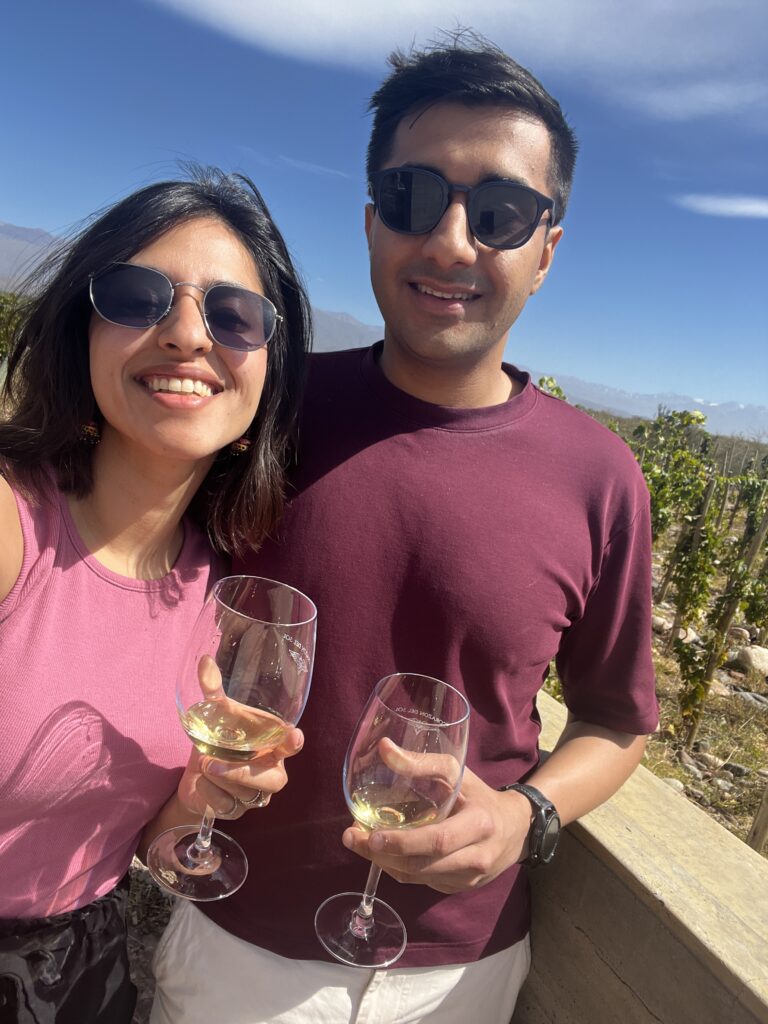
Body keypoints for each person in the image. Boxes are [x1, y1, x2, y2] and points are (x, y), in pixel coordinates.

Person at [151, 34, 659, 1024]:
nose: (452, 241)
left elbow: (618, 718)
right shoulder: (262, 403)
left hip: (457, 973)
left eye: (502, 213)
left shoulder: (602, 479)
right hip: (232, 936)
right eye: (414, 197)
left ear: (546, 250)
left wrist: (527, 815)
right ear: (373, 219)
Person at [0, 167, 311, 1023]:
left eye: (233, 315)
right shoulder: (12, 522)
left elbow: (146, 852)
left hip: (78, 973)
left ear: (268, 369)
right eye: (136, 297)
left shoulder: (218, 593)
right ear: (83, 330)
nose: (184, 334)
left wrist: (196, 805)